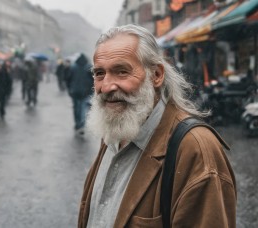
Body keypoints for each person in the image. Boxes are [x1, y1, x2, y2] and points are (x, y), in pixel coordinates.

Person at [78, 25, 236, 228]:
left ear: (156, 75)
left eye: (122, 71)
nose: (107, 86)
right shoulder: (115, 128)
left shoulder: (195, 150)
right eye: (99, 73)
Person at [65, 53, 94, 135]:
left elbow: (68, 79)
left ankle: (77, 124)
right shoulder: (89, 67)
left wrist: (69, 89)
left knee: (76, 108)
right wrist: (92, 91)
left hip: (75, 91)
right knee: (83, 108)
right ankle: (81, 125)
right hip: (85, 92)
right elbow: (94, 80)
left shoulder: (73, 67)